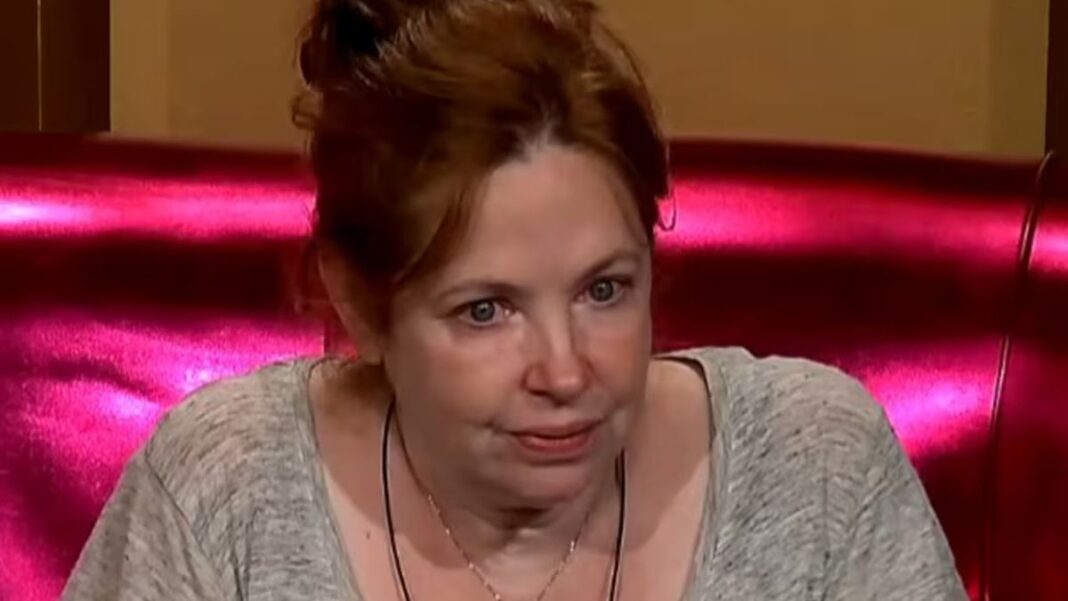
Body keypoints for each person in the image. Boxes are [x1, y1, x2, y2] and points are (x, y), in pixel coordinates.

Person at [61, 0, 968, 599]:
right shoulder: (225, 489)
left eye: (605, 289)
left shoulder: (818, 470)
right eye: (485, 310)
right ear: (360, 305)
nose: (566, 371)